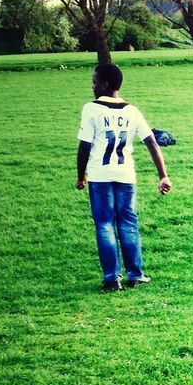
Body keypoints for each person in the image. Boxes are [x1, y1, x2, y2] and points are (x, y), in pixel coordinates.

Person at [76, 61, 171, 291]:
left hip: (100, 176)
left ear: (105, 84)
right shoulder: (132, 111)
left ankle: (112, 278)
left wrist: (81, 176)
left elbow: (84, 147)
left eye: (94, 82)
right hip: (126, 175)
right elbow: (152, 143)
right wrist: (163, 175)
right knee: (129, 223)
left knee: (105, 224)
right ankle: (135, 274)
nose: (92, 86)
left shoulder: (92, 109)